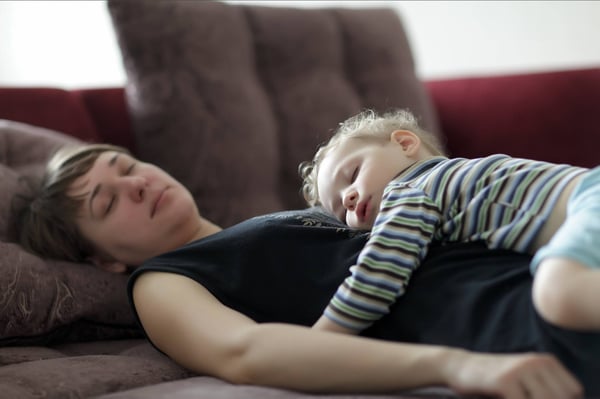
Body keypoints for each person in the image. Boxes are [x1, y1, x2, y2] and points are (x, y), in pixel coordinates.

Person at [15, 143, 589, 399]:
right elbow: (247, 353)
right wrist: (456, 365)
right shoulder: (165, 281)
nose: (136, 183)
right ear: (103, 261)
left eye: (127, 165)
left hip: (558, 258)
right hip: (524, 326)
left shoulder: (299, 212)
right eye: (108, 203)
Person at [299, 108, 600, 338]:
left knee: (557, 293)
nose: (349, 198)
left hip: (588, 200)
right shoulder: (455, 185)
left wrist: (321, 337)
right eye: (341, 211)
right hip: (588, 194)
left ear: (404, 143)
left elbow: (378, 273)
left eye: (352, 175)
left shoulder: (409, 188)